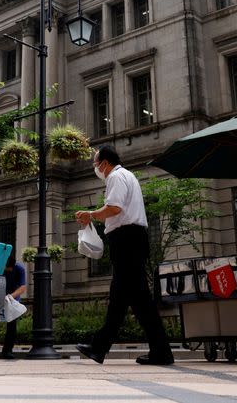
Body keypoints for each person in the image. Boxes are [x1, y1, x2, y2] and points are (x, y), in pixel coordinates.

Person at [74, 145, 174, 365]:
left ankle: (99, 347)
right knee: (135, 301)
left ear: (105, 163)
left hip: (126, 240)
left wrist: (90, 214)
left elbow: (114, 208)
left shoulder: (116, 176)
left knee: (122, 297)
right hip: (132, 239)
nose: (95, 167)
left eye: (95, 163)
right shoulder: (127, 176)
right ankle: (159, 351)